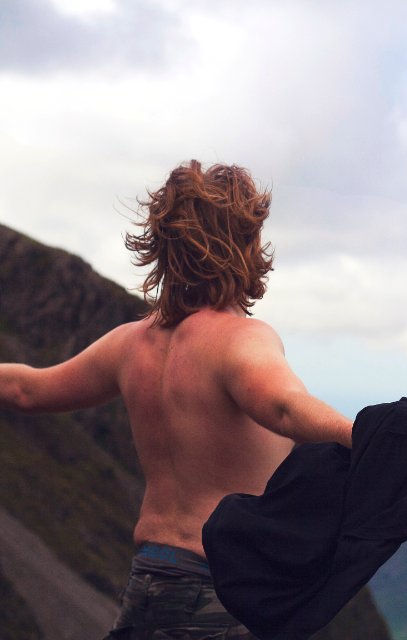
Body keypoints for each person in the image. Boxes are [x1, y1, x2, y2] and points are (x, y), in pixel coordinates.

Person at [0, 160, 353, 639]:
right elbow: (284, 407)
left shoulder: (130, 345)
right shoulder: (241, 340)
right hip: (218, 596)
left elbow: (25, 389)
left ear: (164, 248)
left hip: (149, 579)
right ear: (242, 244)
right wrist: (367, 436)